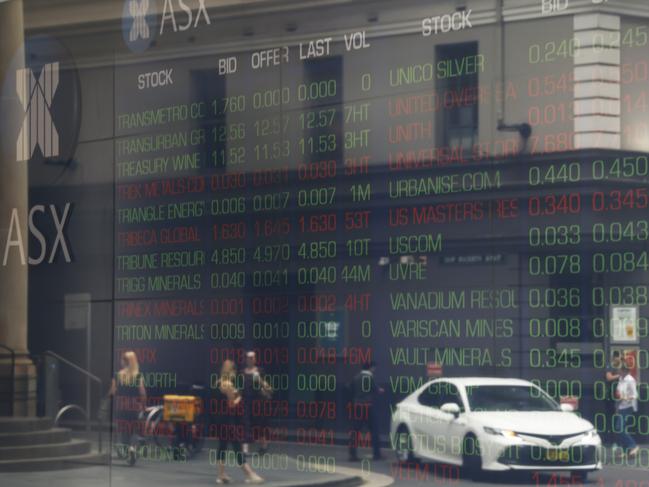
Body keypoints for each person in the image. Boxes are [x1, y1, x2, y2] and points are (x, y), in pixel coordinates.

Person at [214, 360, 264, 484]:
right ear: (231, 371)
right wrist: (240, 397)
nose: (235, 374)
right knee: (237, 446)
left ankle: (221, 475)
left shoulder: (219, 382)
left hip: (220, 419)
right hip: (227, 420)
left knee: (222, 447)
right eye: (234, 371)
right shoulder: (228, 384)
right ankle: (250, 474)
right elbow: (232, 404)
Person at [109, 350, 146, 465]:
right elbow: (143, 394)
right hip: (134, 407)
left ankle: (128, 452)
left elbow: (113, 392)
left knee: (124, 431)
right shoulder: (138, 376)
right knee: (134, 430)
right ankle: (133, 449)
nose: (120, 361)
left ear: (124, 362)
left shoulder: (117, 375)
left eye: (121, 359)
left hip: (121, 407)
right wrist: (143, 407)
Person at [348, 361, 384, 461]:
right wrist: (380, 390)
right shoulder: (370, 377)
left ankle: (352, 455)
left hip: (357, 406)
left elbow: (350, 388)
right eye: (374, 368)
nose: (374, 370)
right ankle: (377, 454)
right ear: (371, 368)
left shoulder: (356, 377)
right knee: (374, 430)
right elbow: (375, 390)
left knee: (355, 431)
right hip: (368, 406)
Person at [242, 351, 273, 454]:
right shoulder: (242, 372)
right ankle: (245, 450)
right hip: (246, 402)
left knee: (260, 426)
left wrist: (259, 379)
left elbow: (267, 387)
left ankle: (264, 446)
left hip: (258, 402)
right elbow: (240, 387)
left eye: (252, 358)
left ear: (255, 359)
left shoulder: (260, 371)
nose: (250, 359)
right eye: (248, 358)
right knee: (246, 424)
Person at [615, 362, 639, 458]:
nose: (617, 370)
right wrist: (618, 404)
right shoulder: (621, 378)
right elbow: (618, 393)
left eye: (619, 369)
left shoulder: (630, 380)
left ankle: (633, 446)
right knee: (620, 429)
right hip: (621, 406)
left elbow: (635, 395)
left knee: (620, 428)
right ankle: (626, 451)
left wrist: (626, 398)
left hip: (628, 407)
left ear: (624, 370)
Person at [605, 353, 622, 446]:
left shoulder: (620, 366)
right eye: (617, 359)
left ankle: (617, 440)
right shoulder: (610, 366)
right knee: (610, 418)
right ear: (614, 358)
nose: (618, 360)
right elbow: (608, 377)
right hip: (610, 396)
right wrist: (618, 376)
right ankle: (610, 441)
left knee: (618, 419)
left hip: (618, 396)